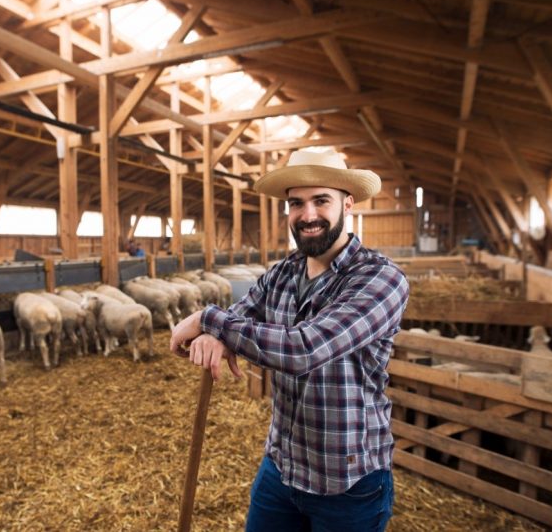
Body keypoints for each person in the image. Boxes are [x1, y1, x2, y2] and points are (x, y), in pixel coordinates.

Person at [170, 149, 408, 532]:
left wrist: (206, 319)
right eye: (296, 203)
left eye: (321, 201)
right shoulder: (282, 273)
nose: (308, 214)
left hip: (347, 484)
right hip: (282, 468)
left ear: (348, 203)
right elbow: (240, 317)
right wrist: (219, 333)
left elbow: (304, 349)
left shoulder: (381, 279)